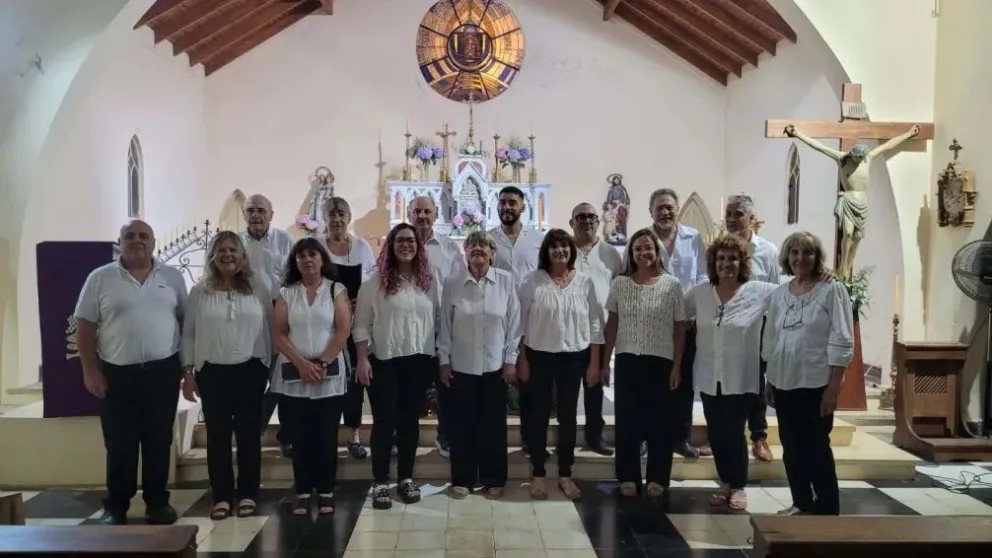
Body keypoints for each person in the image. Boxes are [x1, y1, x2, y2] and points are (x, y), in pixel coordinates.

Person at [74, 219, 188, 525]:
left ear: (153, 241)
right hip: (117, 374)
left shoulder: (173, 277)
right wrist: (89, 370)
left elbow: (184, 322)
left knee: (158, 440)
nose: (137, 240)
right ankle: (117, 506)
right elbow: (84, 326)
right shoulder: (100, 278)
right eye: (130, 236)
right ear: (119, 241)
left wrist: (186, 369)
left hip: (162, 371)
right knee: (119, 442)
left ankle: (157, 503)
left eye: (143, 236)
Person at [180, 232, 271, 519]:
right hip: (213, 372)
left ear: (242, 255)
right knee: (217, 437)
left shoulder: (257, 287)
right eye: (221, 250)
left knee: (248, 436)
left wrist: (269, 365)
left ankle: (247, 494)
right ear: (212, 256)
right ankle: (221, 496)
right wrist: (188, 372)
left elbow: (270, 326)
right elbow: (189, 334)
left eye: (233, 250)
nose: (227, 255)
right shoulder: (200, 291)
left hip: (250, 370)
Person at [763, 231, 854, 516]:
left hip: (816, 384)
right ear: (787, 257)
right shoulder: (779, 294)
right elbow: (772, 340)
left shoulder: (831, 290)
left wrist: (833, 387)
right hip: (784, 381)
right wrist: (770, 378)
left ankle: (827, 509)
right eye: (794, 253)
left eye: (807, 253)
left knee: (816, 448)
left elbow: (842, 338)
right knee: (791, 448)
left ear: (817, 258)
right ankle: (801, 502)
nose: (800, 258)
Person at [685, 234, 778, 511]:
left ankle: (738, 486)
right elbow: (674, 309)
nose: (727, 263)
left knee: (734, 432)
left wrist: (824, 278)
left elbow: (794, 291)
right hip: (709, 375)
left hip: (740, 375)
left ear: (742, 262)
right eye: (721, 258)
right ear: (713, 262)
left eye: (732, 258)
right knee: (716, 433)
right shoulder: (701, 293)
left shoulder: (759, 291)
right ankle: (725, 482)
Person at [354, 223, 441, 510]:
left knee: (408, 423)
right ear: (391, 245)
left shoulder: (428, 282)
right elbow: (362, 326)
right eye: (400, 240)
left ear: (419, 246)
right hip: (385, 361)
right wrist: (363, 359)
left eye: (411, 241)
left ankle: (405, 477)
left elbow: (438, 319)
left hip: (418, 360)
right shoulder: (374, 284)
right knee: (384, 422)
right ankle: (380, 480)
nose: (406, 245)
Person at [518, 228, 604, 500]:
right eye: (554, 247)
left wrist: (594, 362)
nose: (560, 251)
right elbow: (518, 323)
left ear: (571, 251)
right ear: (546, 251)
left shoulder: (585, 282)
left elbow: (594, 324)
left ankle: (565, 473)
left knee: (568, 417)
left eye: (565, 246)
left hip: (573, 357)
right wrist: (520, 358)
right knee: (538, 416)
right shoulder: (533, 281)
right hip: (539, 355)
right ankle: (539, 474)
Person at [271, 238, 352, 515]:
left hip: (328, 375)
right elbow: (279, 333)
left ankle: (326, 490)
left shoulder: (335, 290)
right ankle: (304, 490)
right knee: (299, 436)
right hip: (295, 374)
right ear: (295, 261)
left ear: (321, 259)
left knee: (326, 436)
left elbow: (343, 330)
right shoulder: (286, 293)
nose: (307, 259)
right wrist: (303, 364)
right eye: (301, 255)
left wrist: (322, 362)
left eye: (312, 254)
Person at [437, 231, 520, 500]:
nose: (477, 249)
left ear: (492, 252)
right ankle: (463, 478)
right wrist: (444, 360)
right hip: (461, 367)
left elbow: (515, 326)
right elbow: (445, 325)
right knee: (462, 426)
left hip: (495, 367)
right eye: (472, 245)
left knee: (493, 427)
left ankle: (493, 478)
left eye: (483, 245)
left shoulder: (506, 282)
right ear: (465, 252)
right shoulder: (453, 283)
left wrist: (510, 361)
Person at [603, 228, 685, 498]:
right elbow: (612, 324)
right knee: (627, 421)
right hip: (627, 360)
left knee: (660, 423)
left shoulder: (672, 285)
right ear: (631, 253)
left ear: (657, 251)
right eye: (637, 248)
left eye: (648, 247)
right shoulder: (620, 284)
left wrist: (676, 366)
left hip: (660, 361)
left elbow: (680, 328)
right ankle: (628, 476)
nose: (643, 252)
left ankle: (658, 477)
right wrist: (605, 362)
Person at [648, 188, 709, 458]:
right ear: (651, 211)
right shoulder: (644, 239)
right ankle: (652, 437)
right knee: (653, 382)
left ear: (677, 209)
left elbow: (704, 275)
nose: (665, 212)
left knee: (683, 383)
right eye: (659, 207)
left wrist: (694, 310)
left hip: (687, 323)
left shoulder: (693, 237)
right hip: (654, 324)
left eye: (669, 207)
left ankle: (681, 438)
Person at [320, 196, 377, 461]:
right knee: (327, 378)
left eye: (341, 213)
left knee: (354, 381)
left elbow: (373, 283)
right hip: (324, 326)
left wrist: (358, 300)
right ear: (324, 217)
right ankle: (325, 434)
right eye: (331, 214)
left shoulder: (363, 247)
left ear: (349, 216)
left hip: (355, 325)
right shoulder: (316, 247)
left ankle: (353, 434)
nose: (337, 219)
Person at [239, 194, 295, 457]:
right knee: (252, 380)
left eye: (261, 210)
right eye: (251, 210)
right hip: (247, 316)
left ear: (271, 214)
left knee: (281, 378)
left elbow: (294, 278)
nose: (256, 215)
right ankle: (251, 432)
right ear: (244, 214)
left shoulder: (285, 240)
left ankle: (286, 435)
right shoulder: (236, 243)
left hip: (280, 314)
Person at [723, 193, 778, 462]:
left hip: (758, 326)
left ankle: (759, 437)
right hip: (726, 327)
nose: (732, 220)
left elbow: (777, 294)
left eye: (738, 214)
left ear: (751, 218)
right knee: (725, 382)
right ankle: (720, 436)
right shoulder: (720, 250)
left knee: (756, 384)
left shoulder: (768, 251)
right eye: (729, 214)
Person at [409, 195, 464, 458]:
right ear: (409, 214)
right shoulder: (400, 244)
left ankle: (446, 437)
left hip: (442, 325)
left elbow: (459, 287)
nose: (422, 216)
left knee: (446, 385)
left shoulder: (449, 248)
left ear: (436, 215)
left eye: (427, 211)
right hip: (409, 329)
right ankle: (404, 436)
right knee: (408, 387)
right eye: (417, 211)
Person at [491, 186, 544, 456]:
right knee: (497, 384)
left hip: (531, 319)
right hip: (496, 320)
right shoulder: (489, 240)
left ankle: (530, 439)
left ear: (523, 206)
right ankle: (494, 441)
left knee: (530, 386)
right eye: (502, 203)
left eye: (512, 202)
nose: (507, 207)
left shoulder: (537, 239)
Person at [570, 202, 623, 456]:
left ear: (598, 222)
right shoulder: (563, 250)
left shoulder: (611, 254)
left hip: (598, 332)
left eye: (592, 217)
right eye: (581, 217)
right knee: (567, 390)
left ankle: (595, 436)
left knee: (594, 389)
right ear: (572, 223)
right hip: (567, 332)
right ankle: (566, 437)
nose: (587, 221)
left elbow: (619, 290)